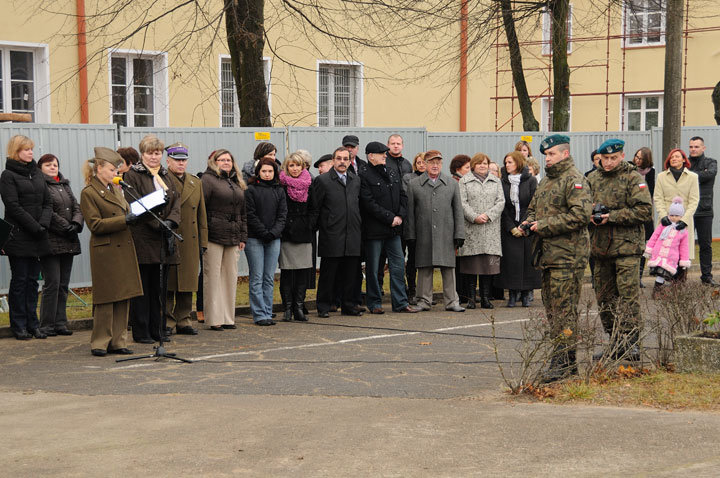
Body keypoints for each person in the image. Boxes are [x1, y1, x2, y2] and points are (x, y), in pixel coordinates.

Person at [523, 134, 592, 383]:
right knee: (553, 310)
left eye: (551, 154)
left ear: (564, 153)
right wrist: (529, 220)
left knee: (564, 311)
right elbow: (534, 207)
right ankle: (567, 361)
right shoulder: (546, 182)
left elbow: (580, 216)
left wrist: (543, 225)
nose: (547, 158)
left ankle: (562, 360)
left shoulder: (574, 179)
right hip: (548, 256)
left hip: (568, 256)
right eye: (546, 155)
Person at [587, 139, 652, 361]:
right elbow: (582, 206)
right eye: (605, 158)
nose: (608, 162)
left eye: (613, 158)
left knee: (627, 296)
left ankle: (631, 342)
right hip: (600, 248)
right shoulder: (592, 178)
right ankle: (614, 341)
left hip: (627, 248)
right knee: (604, 298)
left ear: (622, 156)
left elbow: (644, 211)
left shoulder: (633, 177)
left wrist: (611, 216)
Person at [80, 147, 143, 356]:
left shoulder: (116, 189)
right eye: (111, 169)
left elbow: (123, 211)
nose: (116, 172)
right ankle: (100, 342)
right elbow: (95, 225)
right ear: (98, 168)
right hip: (105, 250)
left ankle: (118, 341)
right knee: (107, 298)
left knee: (123, 295)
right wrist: (123, 220)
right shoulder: (89, 193)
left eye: (117, 169)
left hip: (123, 246)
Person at [122, 135, 181, 344]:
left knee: (160, 288)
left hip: (164, 238)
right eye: (150, 153)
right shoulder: (132, 176)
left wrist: (171, 223)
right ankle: (142, 330)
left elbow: (176, 202)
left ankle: (158, 328)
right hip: (144, 237)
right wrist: (158, 224)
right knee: (144, 288)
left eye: (157, 153)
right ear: (142, 154)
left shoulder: (166, 175)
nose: (154, 157)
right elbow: (135, 205)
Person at [0, 135, 51, 340]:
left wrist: (44, 225)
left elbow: (47, 202)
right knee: (20, 280)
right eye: (26, 149)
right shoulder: (8, 175)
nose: (30, 152)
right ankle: (18, 324)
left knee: (33, 282)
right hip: (20, 236)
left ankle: (33, 324)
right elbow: (13, 206)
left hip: (39, 234)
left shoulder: (37, 174)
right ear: (16, 151)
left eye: (31, 149)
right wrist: (34, 226)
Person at [360, 141, 420, 314]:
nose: (385, 156)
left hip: (394, 230)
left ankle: (400, 303)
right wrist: (389, 218)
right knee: (373, 269)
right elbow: (368, 203)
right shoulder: (364, 174)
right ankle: (375, 303)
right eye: (381, 153)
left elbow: (403, 196)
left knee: (398, 266)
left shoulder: (392, 172)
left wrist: (400, 215)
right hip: (375, 230)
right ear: (371, 156)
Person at [405, 150, 466, 312]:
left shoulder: (452, 184)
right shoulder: (414, 184)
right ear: (424, 164)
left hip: (447, 232)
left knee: (448, 268)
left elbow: (458, 211)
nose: (435, 165)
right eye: (431, 162)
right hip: (423, 233)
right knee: (424, 267)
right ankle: (424, 300)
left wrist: (459, 233)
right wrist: (410, 234)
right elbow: (410, 213)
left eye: (438, 162)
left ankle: (452, 301)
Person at [311, 146, 363, 317]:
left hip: (353, 234)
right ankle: (324, 306)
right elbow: (315, 208)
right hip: (332, 234)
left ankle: (348, 306)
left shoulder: (355, 180)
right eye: (339, 158)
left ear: (350, 161)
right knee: (329, 274)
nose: (342, 162)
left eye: (345, 159)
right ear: (333, 161)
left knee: (350, 274)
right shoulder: (323, 181)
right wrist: (322, 227)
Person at [164, 143, 208, 336]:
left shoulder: (195, 182)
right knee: (168, 283)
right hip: (169, 236)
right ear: (168, 161)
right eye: (176, 160)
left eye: (183, 160)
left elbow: (201, 215)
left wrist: (203, 241)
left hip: (189, 239)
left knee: (188, 282)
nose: (181, 164)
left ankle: (183, 319)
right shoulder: (161, 180)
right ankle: (166, 320)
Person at [37, 153, 83, 337]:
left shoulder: (65, 185)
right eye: (48, 165)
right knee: (52, 284)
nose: (53, 167)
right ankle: (46, 325)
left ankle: (60, 323)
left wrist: (76, 224)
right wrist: (66, 227)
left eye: (55, 164)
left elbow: (76, 207)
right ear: (40, 168)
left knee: (63, 284)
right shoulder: (41, 186)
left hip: (69, 240)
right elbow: (46, 212)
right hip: (50, 241)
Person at [202, 149, 247, 330]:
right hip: (213, 235)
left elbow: (243, 212)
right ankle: (214, 319)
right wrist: (204, 234)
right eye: (222, 160)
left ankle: (228, 318)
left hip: (233, 236)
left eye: (229, 159)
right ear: (214, 162)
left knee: (230, 277)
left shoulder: (236, 181)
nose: (226, 162)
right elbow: (202, 209)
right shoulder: (207, 180)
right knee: (213, 278)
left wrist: (243, 236)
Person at [457, 153, 505, 309]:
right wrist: (474, 216)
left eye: (485, 163)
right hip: (472, 228)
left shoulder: (496, 181)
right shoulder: (464, 181)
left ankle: (485, 298)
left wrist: (488, 215)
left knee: (486, 267)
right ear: (473, 165)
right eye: (479, 163)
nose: (483, 166)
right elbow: (462, 203)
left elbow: (501, 202)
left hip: (490, 228)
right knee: (471, 266)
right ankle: (471, 298)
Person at [245, 158, 287, 325]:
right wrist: (263, 232)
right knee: (257, 277)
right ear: (258, 173)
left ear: (275, 173)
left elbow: (282, 215)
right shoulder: (250, 190)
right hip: (255, 238)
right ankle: (259, 314)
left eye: (270, 171)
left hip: (274, 239)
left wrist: (273, 233)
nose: (267, 174)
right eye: (264, 171)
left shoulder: (279, 191)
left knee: (269, 277)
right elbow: (250, 214)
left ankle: (268, 312)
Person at [498, 151, 540, 307]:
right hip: (509, 227)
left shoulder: (531, 181)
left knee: (527, 261)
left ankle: (527, 293)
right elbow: (502, 206)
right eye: (506, 162)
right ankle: (513, 293)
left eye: (510, 162)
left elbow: (534, 204)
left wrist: (524, 225)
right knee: (511, 262)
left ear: (518, 163)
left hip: (527, 226)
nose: (507, 165)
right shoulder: (502, 182)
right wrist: (511, 227)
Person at [279, 152, 314, 322]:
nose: (294, 169)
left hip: (304, 233)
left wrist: (309, 225)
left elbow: (315, 209)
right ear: (287, 167)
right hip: (286, 233)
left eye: (297, 165)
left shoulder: (309, 184)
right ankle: (287, 308)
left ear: (303, 167)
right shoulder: (281, 185)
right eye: (291, 165)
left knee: (302, 272)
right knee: (287, 272)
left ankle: (299, 307)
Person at [654, 148, 699, 274]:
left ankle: (679, 289)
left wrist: (685, 220)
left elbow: (694, 200)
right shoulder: (661, 177)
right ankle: (660, 288)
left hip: (684, 221)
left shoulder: (693, 177)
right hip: (666, 221)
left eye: (677, 156)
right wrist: (663, 215)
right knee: (664, 253)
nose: (674, 159)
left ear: (684, 159)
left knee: (682, 256)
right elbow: (658, 198)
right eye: (672, 157)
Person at [644, 197, 692, 298]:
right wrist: (649, 248)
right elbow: (654, 236)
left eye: (677, 216)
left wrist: (684, 260)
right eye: (671, 215)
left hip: (671, 257)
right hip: (659, 254)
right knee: (660, 274)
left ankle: (667, 291)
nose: (674, 218)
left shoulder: (683, 231)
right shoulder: (663, 225)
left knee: (668, 274)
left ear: (681, 216)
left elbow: (684, 247)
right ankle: (656, 291)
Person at [688, 136, 717, 286]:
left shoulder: (711, 162)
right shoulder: (684, 163)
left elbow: (709, 174)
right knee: (684, 244)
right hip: (687, 211)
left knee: (705, 245)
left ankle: (706, 276)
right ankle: (679, 277)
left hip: (704, 210)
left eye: (696, 146)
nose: (693, 149)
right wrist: (699, 175)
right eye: (691, 147)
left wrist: (689, 175)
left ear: (703, 148)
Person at [402, 153, 427, 304]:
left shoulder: (434, 179)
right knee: (411, 259)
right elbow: (408, 198)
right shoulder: (408, 178)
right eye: (418, 162)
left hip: (426, 225)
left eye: (424, 162)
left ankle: (424, 292)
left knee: (424, 259)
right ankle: (411, 290)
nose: (421, 165)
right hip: (411, 224)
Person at [449, 154, 472, 305]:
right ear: (458, 169)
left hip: (466, 225)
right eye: (467, 168)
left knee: (464, 261)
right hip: (457, 225)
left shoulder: (465, 182)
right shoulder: (454, 182)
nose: (470, 171)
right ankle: (458, 293)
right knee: (457, 262)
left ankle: (464, 293)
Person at [633, 147, 656, 287]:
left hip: (646, 215)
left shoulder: (651, 172)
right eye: (636, 156)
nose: (636, 159)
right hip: (633, 213)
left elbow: (652, 193)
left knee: (644, 247)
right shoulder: (630, 170)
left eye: (640, 158)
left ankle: (639, 276)